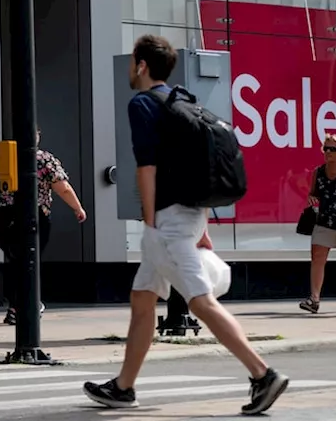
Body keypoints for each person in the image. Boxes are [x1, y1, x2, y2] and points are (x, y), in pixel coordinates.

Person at [85, 35, 288, 415]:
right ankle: (124, 387)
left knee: (201, 302)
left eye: (133, 62)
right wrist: (203, 226)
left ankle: (263, 374)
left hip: (167, 222)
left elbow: (147, 166)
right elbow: (199, 170)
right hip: (189, 215)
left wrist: (149, 221)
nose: (131, 68)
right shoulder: (183, 101)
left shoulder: (143, 103)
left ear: (141, 65)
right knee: (142, 299)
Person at [0, 130, 86, 325]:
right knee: (30, 261)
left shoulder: (3, 159)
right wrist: (77, 208)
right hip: (33, 215)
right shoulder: (43, 159)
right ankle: (25, 305)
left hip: (2, 218)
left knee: (15, 261)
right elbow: (62, 187)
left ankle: (15, 306)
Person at [299, 133, 336, 315]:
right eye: (326, 149)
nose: (328, 152)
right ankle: (314, 299)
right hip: (323, 220)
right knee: (317, 257)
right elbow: (313, 192)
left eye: (333, 149)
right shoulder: (319, 171)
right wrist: (311, 199)